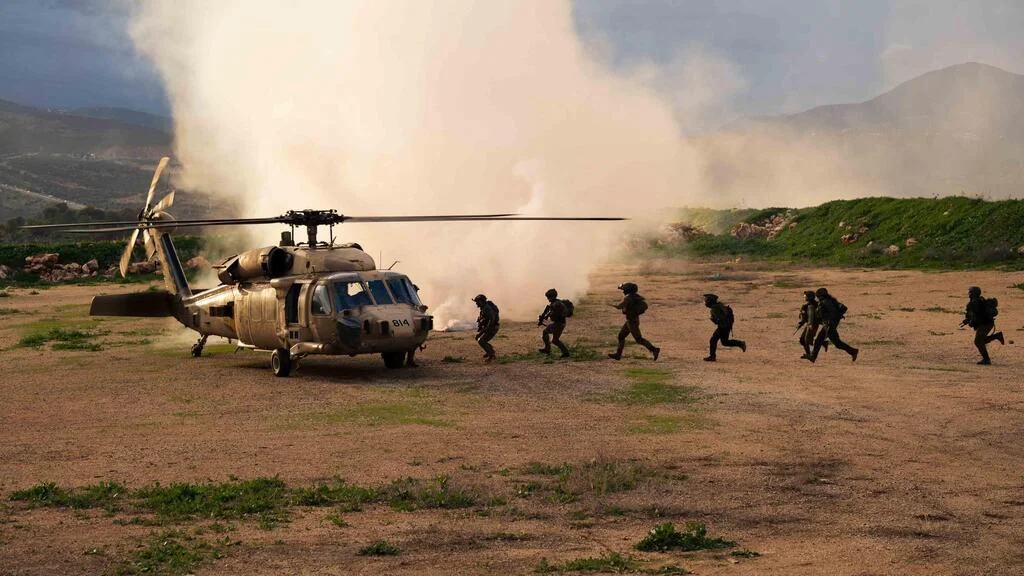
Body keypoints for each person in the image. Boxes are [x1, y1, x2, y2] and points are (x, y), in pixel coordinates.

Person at [607, 282, 660, 361]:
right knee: (621, 336)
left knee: (638, 339)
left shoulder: (628, 298)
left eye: (624, 289)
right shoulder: (635, 296)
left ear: (627, 291)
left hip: (632, 322)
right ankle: (618, 355)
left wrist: (609, 304)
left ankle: (654, 349)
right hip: (632, 320)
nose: (623, 291)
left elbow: (619, 307)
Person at [808, 288, 858, 363]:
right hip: (831, 325)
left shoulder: (825, 303)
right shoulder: (831, 301)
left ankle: (813, 356)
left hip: (828, 326)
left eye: (818, 296)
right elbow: (842, 309)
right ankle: (853, 351)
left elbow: (825, 314)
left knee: (818, 340)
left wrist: (829, 320)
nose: (818, 298)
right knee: (837, 343)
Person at [962, 286, 1003, 365]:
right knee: (979, 341)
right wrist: (968, 320)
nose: (969, 294)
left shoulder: (973, 303)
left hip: (985, 324)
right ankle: (997, 336)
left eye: (970, 292)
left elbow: (976, 315)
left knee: (978, 341)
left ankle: (986, 359)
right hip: (988, 323)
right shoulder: (980, 299)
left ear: (973, 294)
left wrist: (969, 320)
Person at [703, 293, 746, 362]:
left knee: (713, 340)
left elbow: (720, 320)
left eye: (706, 300)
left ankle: (712, 357)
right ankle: (740, 343)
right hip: (727, 326)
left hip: (723, 327)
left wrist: (714, 320)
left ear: (710, 301)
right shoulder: (718, 305)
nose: (705, 302)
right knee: (725, 342)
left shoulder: (715, 309)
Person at [538, 288, 570, 358]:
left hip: (558, 324)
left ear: (552, 297)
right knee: (555, 340)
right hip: (562, 323)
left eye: (548, 297)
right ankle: (565, 352)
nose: (548, 299)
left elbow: (552, 314)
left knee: (545, 332)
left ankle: (547, 349)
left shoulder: (555, 304)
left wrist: (544, 317)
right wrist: (544, 316)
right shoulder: (557, 303)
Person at [796, 290, 826, 359]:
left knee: (806, 340)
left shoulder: (810, 306)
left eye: (805, 296)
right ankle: (809, 354)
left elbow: (810, 316)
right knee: (803, 339)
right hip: (810, 325)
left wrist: (810, 324)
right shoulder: (809, 305)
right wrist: (800, 324)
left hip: (812, 325)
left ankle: (811, 353)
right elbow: (805, 317)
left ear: (809, 297)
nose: (804, 297)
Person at [473, 293, 499, 362]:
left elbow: (492, 319)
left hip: (492, 327)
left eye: (477, 302)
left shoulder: (487, 308)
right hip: (490, 327)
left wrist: (483, 331)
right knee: (482, 340)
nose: (476, 303)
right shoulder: (484, 307)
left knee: (481, 340)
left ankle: (491, 354)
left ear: (481, 301)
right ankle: (490, 351)